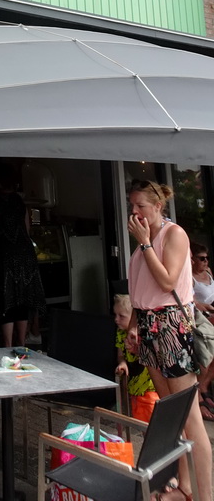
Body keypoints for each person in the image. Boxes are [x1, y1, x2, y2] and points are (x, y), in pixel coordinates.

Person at [127, 179, 212, 501]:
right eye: (132, 206)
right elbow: (140, 293)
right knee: (170, 416)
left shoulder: (172, 234)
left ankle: (205, 495)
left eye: (141, 206)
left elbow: (166, 281)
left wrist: (146, 243)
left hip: (171, 327)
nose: (134, 212)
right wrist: (134, 326)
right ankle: (184, 486)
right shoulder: (142, 241)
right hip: (150, 327)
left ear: (158, 207)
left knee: (190, 418)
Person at [0, 162, 46, 347]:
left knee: (5, 298)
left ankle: (8, 345)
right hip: (24, 254)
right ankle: (21, 342)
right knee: (21, 299)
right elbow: (27, 227)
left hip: (2, 255)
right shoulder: (19, 200)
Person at [113, 293, 159, 422]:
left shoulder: (143, 333)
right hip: (133, 387)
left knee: (152, 420)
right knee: (139, 419)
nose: (116, 319)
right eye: (115, 315)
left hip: (149, 388)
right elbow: (120, 354)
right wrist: (122, 363)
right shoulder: (120, 333)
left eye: (121, 316)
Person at [189, 242, 214, 416]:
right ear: (192, 260)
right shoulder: (189, 277)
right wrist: (204, 306)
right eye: (201, 258)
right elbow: (191, 302)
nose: (205, 262)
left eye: (207, 258)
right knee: (206, 355)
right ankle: (199, 391)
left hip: (212, 314)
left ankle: (204, 386)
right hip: (201, 317)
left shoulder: (209, 272)